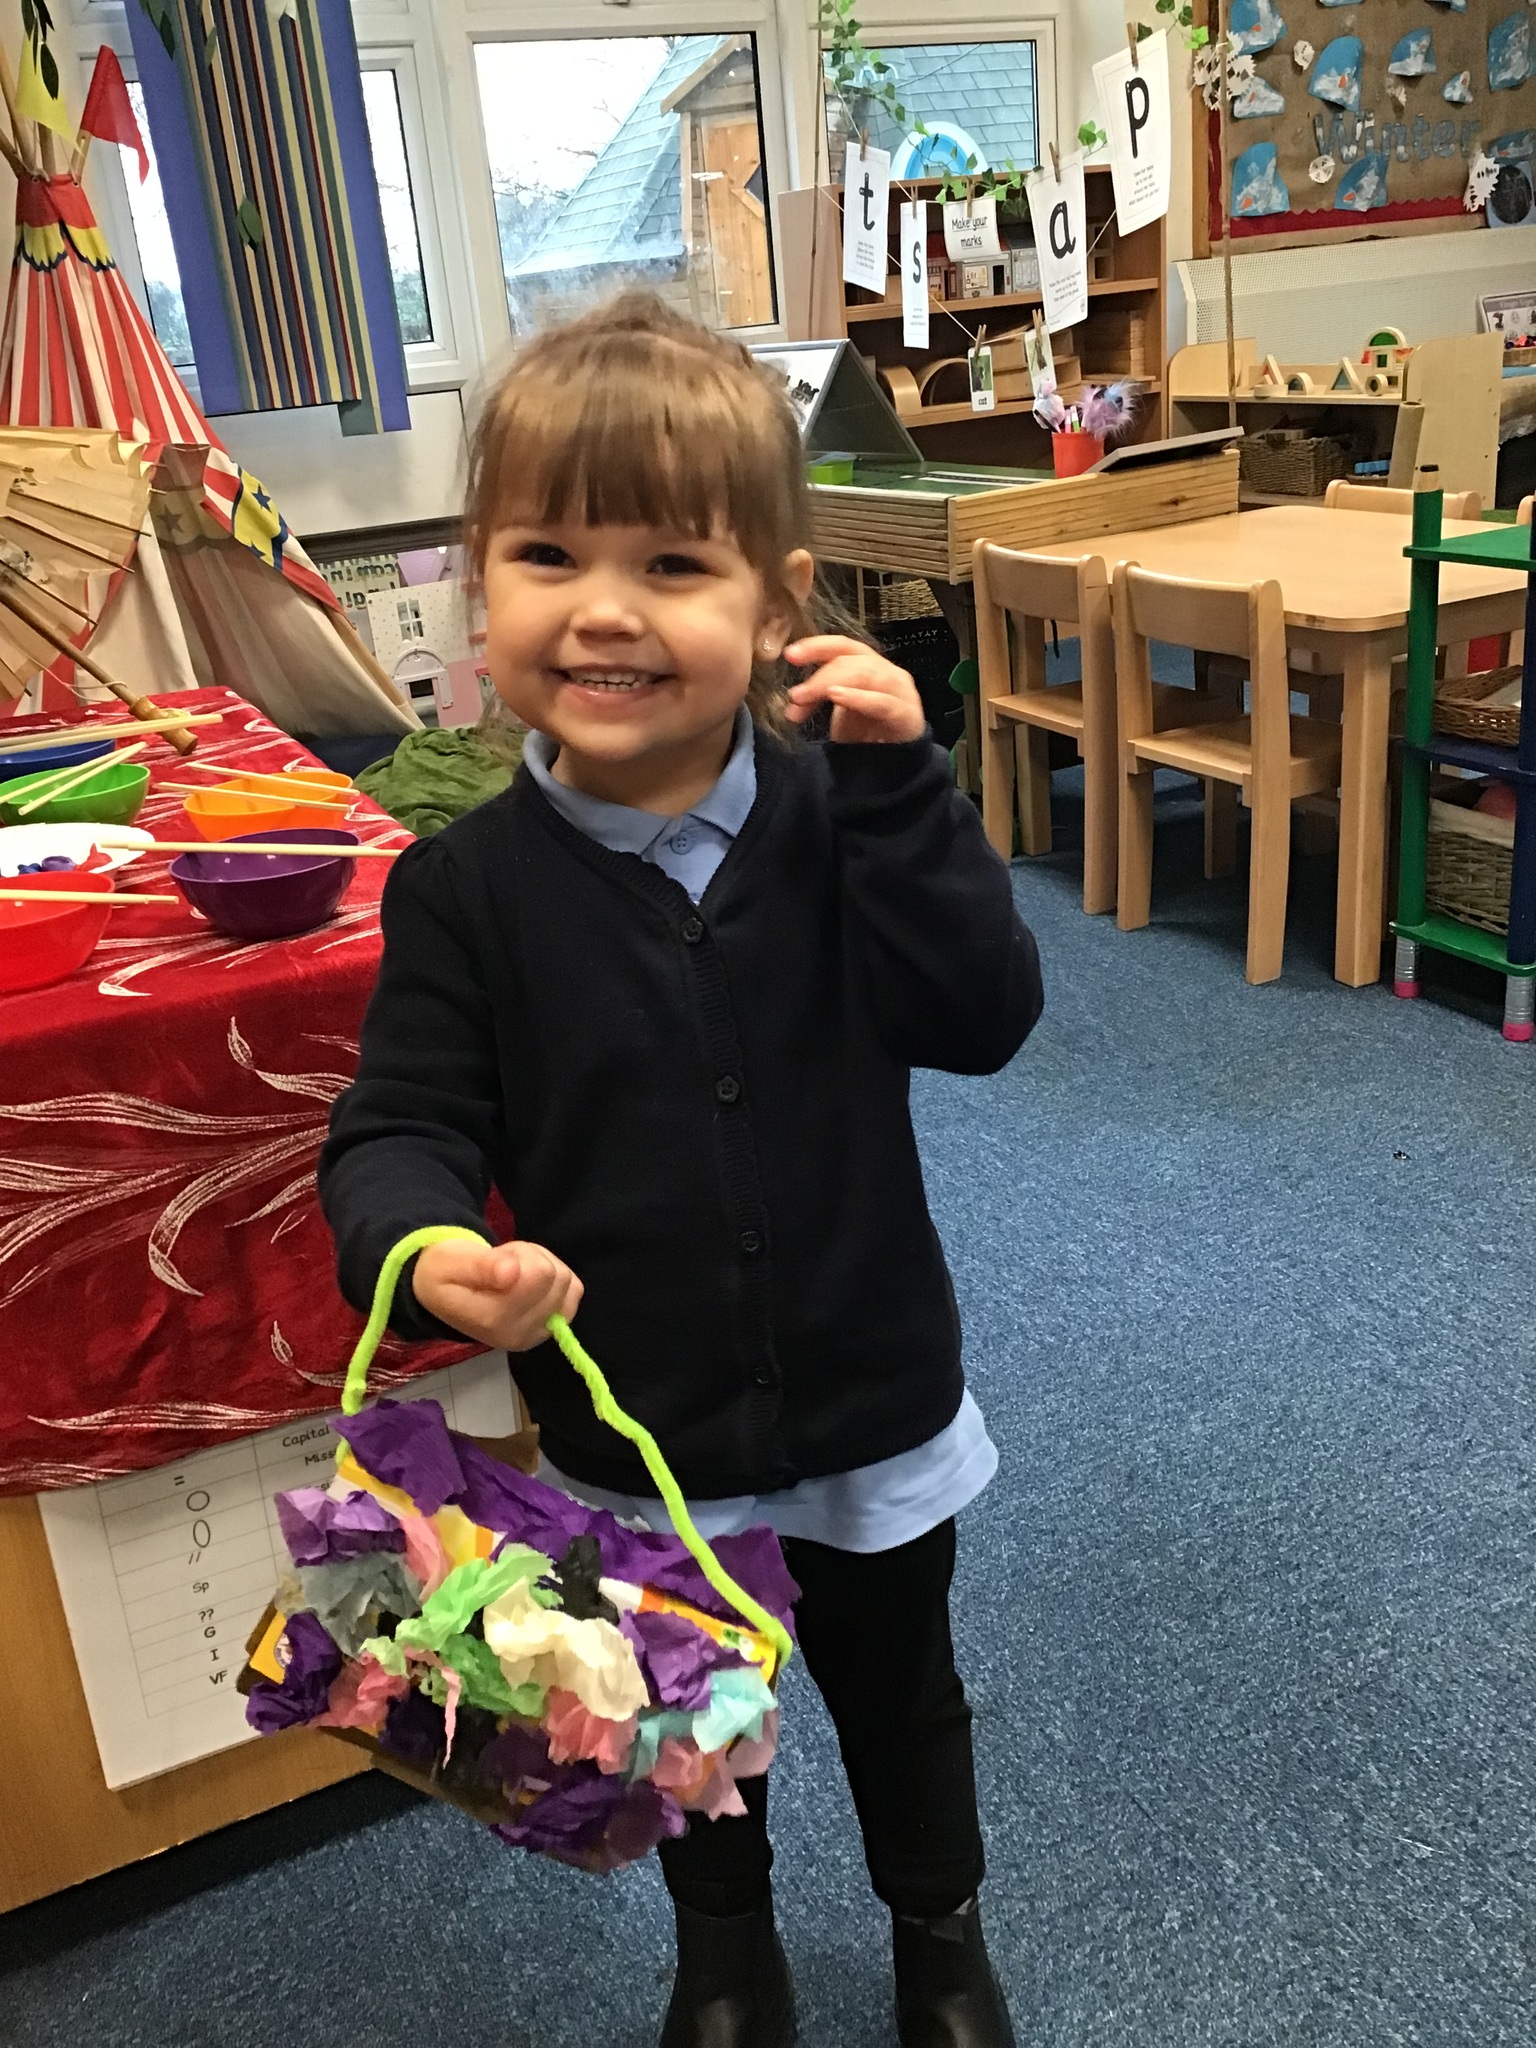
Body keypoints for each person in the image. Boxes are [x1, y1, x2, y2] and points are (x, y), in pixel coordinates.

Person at [320, 293, 1043, 2048]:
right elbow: (401, 1124)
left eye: (673, 564)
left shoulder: (846, 820)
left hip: (869, 1388)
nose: (605, 608)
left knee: (903, 1694)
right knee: (680, 1715)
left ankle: (940, 1934)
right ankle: (724, 1951)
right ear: (477, 588)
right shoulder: (464, 892)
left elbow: (983, 1016)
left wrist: (909, 795)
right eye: (548, 554)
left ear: (779, 604)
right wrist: (428, 1247)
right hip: (637, 1419)